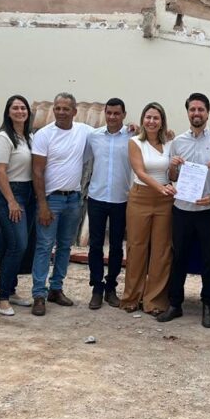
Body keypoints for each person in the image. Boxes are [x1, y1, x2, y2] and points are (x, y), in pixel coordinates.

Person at [158, 93, 210, 326]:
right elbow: (172, 177)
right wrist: (172, 166)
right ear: (187, 113)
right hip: (181, 209)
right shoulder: (178, 142)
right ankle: (175, 304)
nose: (196, 113)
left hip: (208, 210)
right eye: (192, 109)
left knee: (209, 260)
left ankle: (208, 306)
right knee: (179, 257)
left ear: (208, 112)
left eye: (201, 109)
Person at [31, 92, 94, 315]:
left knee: (65, 246)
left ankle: (56, 288)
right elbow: (37, 171)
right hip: (51, 199)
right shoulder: (44, 135)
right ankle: (39, 294)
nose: (61, 112)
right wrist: (42, 204)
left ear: (74, 111)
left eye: (66, 108)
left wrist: (131, 129)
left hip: (73, 199)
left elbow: (108, 134)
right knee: (44, 246)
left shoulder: (84, 131)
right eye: (57, 108)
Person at [121, 102, 175, 315]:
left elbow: (172, 173)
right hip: (141, 197)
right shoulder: (135, 142)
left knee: (162, 250)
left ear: (162, 122)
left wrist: (174, 170)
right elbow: (140, 172)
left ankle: (154, 301)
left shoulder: (170, 143)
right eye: (148, 117)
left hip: (165, 201)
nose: (151, 121)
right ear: (143, 120)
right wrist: (160, 188)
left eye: (156, 118)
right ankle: (131, 297)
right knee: (137, 247)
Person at [84, 97, 133, 309]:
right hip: (97, 197)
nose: (112, 117)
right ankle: (96, 287)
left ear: (124, 115)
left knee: (116, 246)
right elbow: (84, 159)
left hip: (121, 199)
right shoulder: (94, 136)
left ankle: (111, 287)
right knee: (95, 245)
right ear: (105, 113)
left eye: (116, 113)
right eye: (109, 113)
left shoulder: (132, 136)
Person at [0, 95, 36, 316]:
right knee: (18, 245)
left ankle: (11, 289)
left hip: (28, 193)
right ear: (8, 112)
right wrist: (11, 201)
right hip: (11, 194)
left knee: (16, 245)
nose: (20, 111)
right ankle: (3, 298)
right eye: (15, 108)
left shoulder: (28, 137)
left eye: (23, 107)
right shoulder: (3, 138)